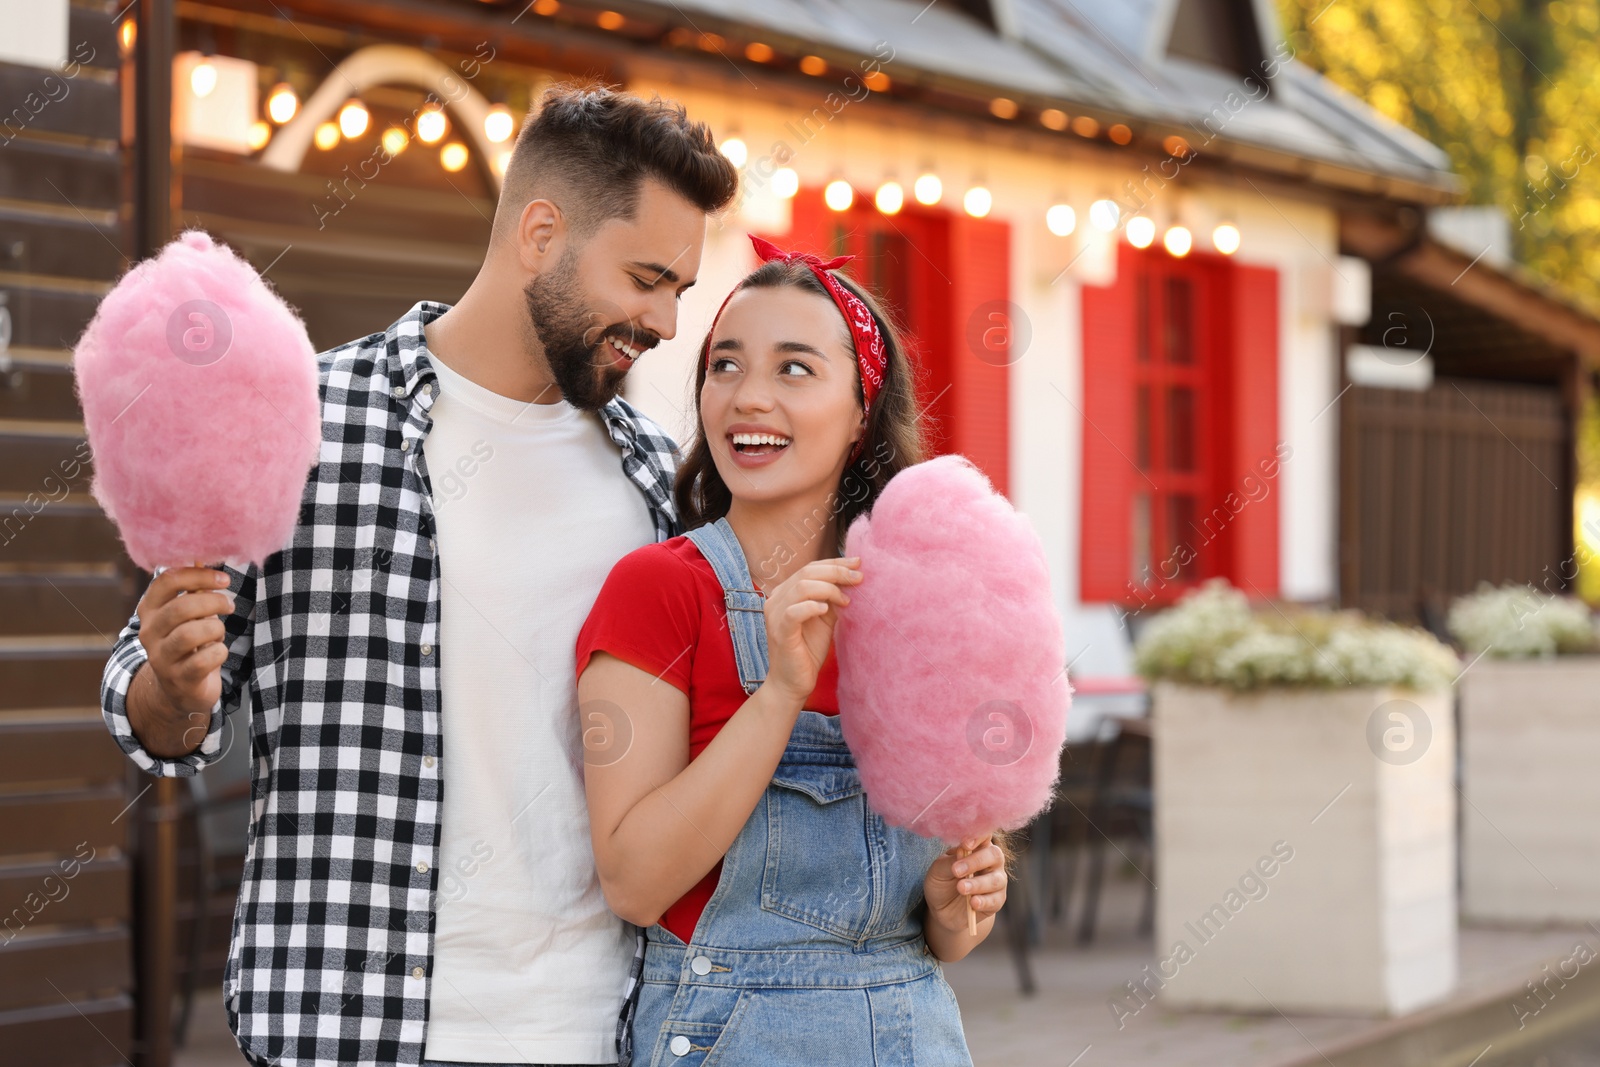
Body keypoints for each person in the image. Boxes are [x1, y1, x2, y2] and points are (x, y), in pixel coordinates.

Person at [98, 84, 737, 1067]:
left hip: (602, 1030)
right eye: (646, 277)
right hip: (348, 1033)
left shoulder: (662, 482)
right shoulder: (297, 422)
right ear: (539, 232)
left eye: (679, 292)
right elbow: (155, 711)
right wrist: (174, 686)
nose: (661, 319)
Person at [574, 237, 1008, 1066]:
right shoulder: (660, 589)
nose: (749, 397)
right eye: (725, 365)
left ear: (859, 415)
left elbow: (938, 938)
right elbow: (633, 881)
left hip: (915, 1033)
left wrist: (960, 904)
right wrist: (778, 692)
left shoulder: (926, 611)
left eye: (795, 369)